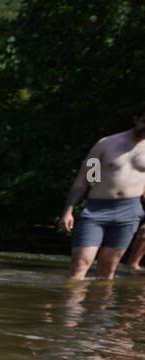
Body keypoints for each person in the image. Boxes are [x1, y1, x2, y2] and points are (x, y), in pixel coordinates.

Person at [60, 105, 145, 279]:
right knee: (81, 263)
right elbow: (85, 179)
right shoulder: (106, 144)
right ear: (136, 119)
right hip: (96, 209)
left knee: (108, 267)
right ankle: (71, 306)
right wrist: (68, 210)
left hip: (130, 211)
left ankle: (98, 306)